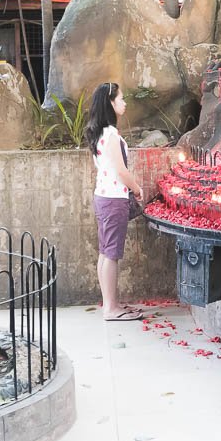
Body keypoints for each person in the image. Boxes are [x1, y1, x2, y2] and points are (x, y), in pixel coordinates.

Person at [84, 82, 146, 321]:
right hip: (113, 199)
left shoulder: (99, 132)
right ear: (110, 103)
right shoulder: (110, 134)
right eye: (121, 99)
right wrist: (137, 188)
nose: (124, 102)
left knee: (105, 253)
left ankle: (111, 304)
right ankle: (111, 309)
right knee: (111, 255)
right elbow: (121, 171)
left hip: (103, 197)